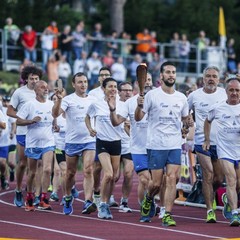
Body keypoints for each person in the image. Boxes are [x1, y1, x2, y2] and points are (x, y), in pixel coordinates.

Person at [135, 62, 192, 226]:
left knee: (172, 178)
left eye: (173, 72)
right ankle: (148, 198)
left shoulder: (181, 98)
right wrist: (139, 106)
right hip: (156, 144)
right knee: (156, 184)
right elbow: (139, 117)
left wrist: (187, 125)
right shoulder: (152, 95)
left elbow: (185, 119)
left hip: (174, 144)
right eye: (168, 72)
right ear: (161, 76)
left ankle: (167, 213)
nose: (171, 75)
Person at [109, 72, 154, 214]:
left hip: (151, 146)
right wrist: (112, 110)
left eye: (149, 80)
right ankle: (108, 197)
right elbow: (116, 122)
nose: (146, 82)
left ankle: (128, 201)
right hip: (124, 144)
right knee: (116, 176)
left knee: (136, 176)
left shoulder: (157, 99)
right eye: (143, 80)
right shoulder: (128, 103)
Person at [52, 72, 97, 215]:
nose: (83, 84)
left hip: (89, 140)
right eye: (80, 82)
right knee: (70, 173)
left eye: (85, 81)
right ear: (73, 84)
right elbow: (55, 114)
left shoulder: (93, 100)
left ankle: (88, 201)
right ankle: (67, 197)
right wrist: (59, 100)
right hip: (72, 141)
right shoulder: (68, 99)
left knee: (88, 169)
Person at [187, 66, 227, 223]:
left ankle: (209, 195)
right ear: (203, 78)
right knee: (208, 174)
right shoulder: (194, 96)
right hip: (201, 141)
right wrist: (187, 120)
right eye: (208, 76)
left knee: (218, 179)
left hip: (221, 142)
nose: (211, 79)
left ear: (218, 79)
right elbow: (185, 112)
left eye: (214, 76)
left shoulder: (224, 93)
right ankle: (210, 210)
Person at [203, 77, 240, 226]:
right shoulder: (218, 107)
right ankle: (235, 214)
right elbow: (207, 121)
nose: (234, 93)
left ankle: (228, 201)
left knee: (238, 184)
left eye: (237, 90)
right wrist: (207, 139)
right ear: (226, 91)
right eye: (231, 90)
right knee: (231, 180)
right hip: (225, 151)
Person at [85, 77, 122, 219]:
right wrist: (90, 129)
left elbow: (123, 119)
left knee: (114, 177)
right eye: (110, 86)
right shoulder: (97, 104)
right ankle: (101, 204)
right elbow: (87, 117)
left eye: (115, 86)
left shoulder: (121, 104)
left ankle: (106, 202)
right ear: (104, 89)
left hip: (116, 143)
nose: (113, 89)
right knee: (109, 174)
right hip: (102, 142)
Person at [16, 80, 55, 211]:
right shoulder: (29, 105)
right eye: (42, 87)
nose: (46, 89)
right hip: (33, 143)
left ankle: (44, 198)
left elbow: (55, 120)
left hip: (48, 142)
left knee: (47, 169)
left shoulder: (51, 104)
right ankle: (29, 197)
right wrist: (31, 121)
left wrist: (56, 125)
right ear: (36, 90)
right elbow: (18, 121)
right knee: (32, 172)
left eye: (47, 87)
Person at [7, 65, 42, 207]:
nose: (34, 81)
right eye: (31, 79)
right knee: (22, 164)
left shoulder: (43, 92)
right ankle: (18, 189)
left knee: (36, 165)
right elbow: (9, 111)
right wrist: (23, 119)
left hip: (38, 133)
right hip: (23, 132)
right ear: (26, 80)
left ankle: (34, 192)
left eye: (36, 78)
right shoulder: (19, 93)